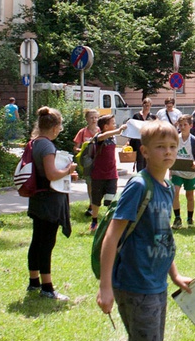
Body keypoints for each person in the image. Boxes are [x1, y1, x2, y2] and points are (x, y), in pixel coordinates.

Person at [94, 120, 193, 341]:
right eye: (160, 147)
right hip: (134, 284)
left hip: (155, 283)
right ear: (145, 151)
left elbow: (163, 236)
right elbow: (112, 237)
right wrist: (105, 286)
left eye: (172, 147)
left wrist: (175, 275)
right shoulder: (139, 185)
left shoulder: (166, 187)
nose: (168, 152)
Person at [26, 106, 77, 301]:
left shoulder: (34, 143)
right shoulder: (47, 146)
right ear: (55, 127)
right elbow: (52, 174)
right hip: (49, 200)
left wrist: (65, 173)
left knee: (37, 240)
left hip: (37, 198)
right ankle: (47, 288)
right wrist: (68, 170)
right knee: (47, 242)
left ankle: (34, 282)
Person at [89, 114, 124, 233]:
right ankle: (94, 221)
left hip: (112, 175)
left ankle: (109, 222)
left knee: (111, 200)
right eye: (113, 123)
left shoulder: (113, 138)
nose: (115, 125)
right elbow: (102, 136)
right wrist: (118, 131)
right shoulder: (99, 137)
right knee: (96, 200)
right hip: (98, 175)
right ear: (105, 126)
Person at [171, 115, 195, 227]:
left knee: (189, 196)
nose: (182, 127)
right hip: (177, 171)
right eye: (180, 125)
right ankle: (177, 218)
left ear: (191, 126)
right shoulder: (176, 139)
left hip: (190, 172)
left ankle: (190, 218)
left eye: (185, 125)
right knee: (175, 192)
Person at [74, 109, 100, 216]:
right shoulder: (82, 132)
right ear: (86, 119)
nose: (94, 120)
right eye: (91, 118)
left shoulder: (101, 131)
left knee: (98, 184)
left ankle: (95, 204)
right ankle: (91, 205)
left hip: (99, 162)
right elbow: (75, 148)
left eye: (96, 117)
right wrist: (84, 150)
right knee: (90, 183)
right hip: (88, 162)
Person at [129, 98, 156, 172]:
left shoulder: (152, 117)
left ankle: (147, 175)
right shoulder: (137, 116)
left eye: (148, 105)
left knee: (147, 159)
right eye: (145, 105)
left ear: (150, 106)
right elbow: (132, 128)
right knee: (139, 160)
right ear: (142, 105)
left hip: (148, 141)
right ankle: (140, 174)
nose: (147, 107)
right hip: (138, 141)